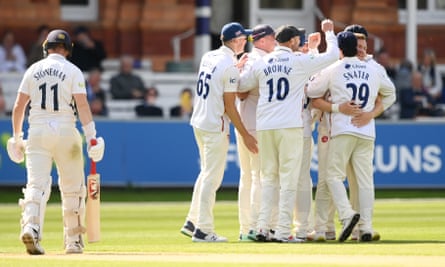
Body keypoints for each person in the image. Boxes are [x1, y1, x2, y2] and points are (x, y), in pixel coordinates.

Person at [6, 29, 105, 255]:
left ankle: (31, 227)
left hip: (38, 131)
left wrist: (17, 137)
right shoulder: (73, 71)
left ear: (45, 48)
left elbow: (19, 106)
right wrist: (92, 137)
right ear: (68, 50)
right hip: (66, 132)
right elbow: (82, 105)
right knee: (72, 188)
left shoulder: (33, 70)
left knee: (36, 186)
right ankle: (73, 240)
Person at [239, 19, 339, 243]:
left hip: (265, 126)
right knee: (289, 179)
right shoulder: (299, 60)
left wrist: (236, 69)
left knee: (268, 178)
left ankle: (263, 228)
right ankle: (284, 232)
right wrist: (329, 34)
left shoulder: (263, 61)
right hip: (290, 126)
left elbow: (242, 85)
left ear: (277, 41)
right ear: (293, 41)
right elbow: (332, 56)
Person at [306, 31, 396, 242]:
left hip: (343, 128)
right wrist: (370, 114)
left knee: (333, 176)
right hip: (366, 130)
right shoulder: (373, 69)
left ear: (339, 49)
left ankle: (347, 216)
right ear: (357, 47)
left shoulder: (334, 68)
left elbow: (311, 91)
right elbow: (391, 94)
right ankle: (365, 227)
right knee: (365, 181)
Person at [180, 22, 258, 243]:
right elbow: (230, 107)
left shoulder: (209, 56)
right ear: (235, 40)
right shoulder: (229, 67)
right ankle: (203, 230)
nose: (246, 41)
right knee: (212, 178)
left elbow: (219, 76)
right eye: (243, 38)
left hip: (199, 121)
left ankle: (192, 221)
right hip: (215, 125)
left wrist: (235, 65)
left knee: (205, 174)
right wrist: (245, 134)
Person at [236, 24, 276, 242]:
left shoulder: (248, 59)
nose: (275, 42)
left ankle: (245, 228)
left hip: (244, 123)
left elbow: (240, 91)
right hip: (257, 125)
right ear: (262, 40)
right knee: (261, 177)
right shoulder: (259, 60)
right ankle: (256, 227)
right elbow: (241, 91)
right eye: (272, 38)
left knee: (247, 178)